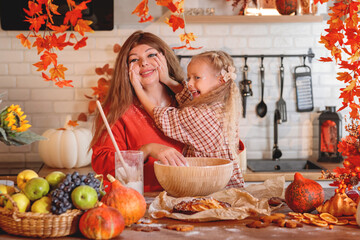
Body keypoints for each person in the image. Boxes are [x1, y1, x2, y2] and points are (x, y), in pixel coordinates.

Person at [130, 50, 245, 188]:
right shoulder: (220, 106)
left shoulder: (203, 116)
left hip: (217, 189)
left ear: (220, 80)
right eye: (188, 77)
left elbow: (161, 116)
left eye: (196, 77)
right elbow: (189, 99)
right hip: (223, 186)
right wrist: (166, 79)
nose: (189, 83)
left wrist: (138, 88)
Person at [90, 31, 187, 192]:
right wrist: (146, 150)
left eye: (151, 55)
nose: (144, 63)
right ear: (126, 69)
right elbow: (102, 164)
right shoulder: (116, 110)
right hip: (142, 199)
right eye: (134, 59)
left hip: (189, 194)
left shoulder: (188, 101)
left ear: (165, 57)